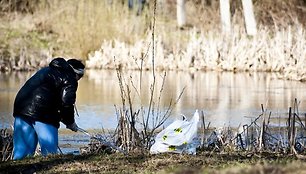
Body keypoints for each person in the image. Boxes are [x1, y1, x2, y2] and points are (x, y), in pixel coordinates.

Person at [12, 57, 85, 160]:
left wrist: (66, 120)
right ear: (77, 74)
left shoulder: (46, 70)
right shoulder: (70, 77)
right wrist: (70, 123)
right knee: (49, 155)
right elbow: (66, 103)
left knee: (21, 156)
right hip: (44, 114)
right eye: (80, 77)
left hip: (21, 108)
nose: (78, 80)